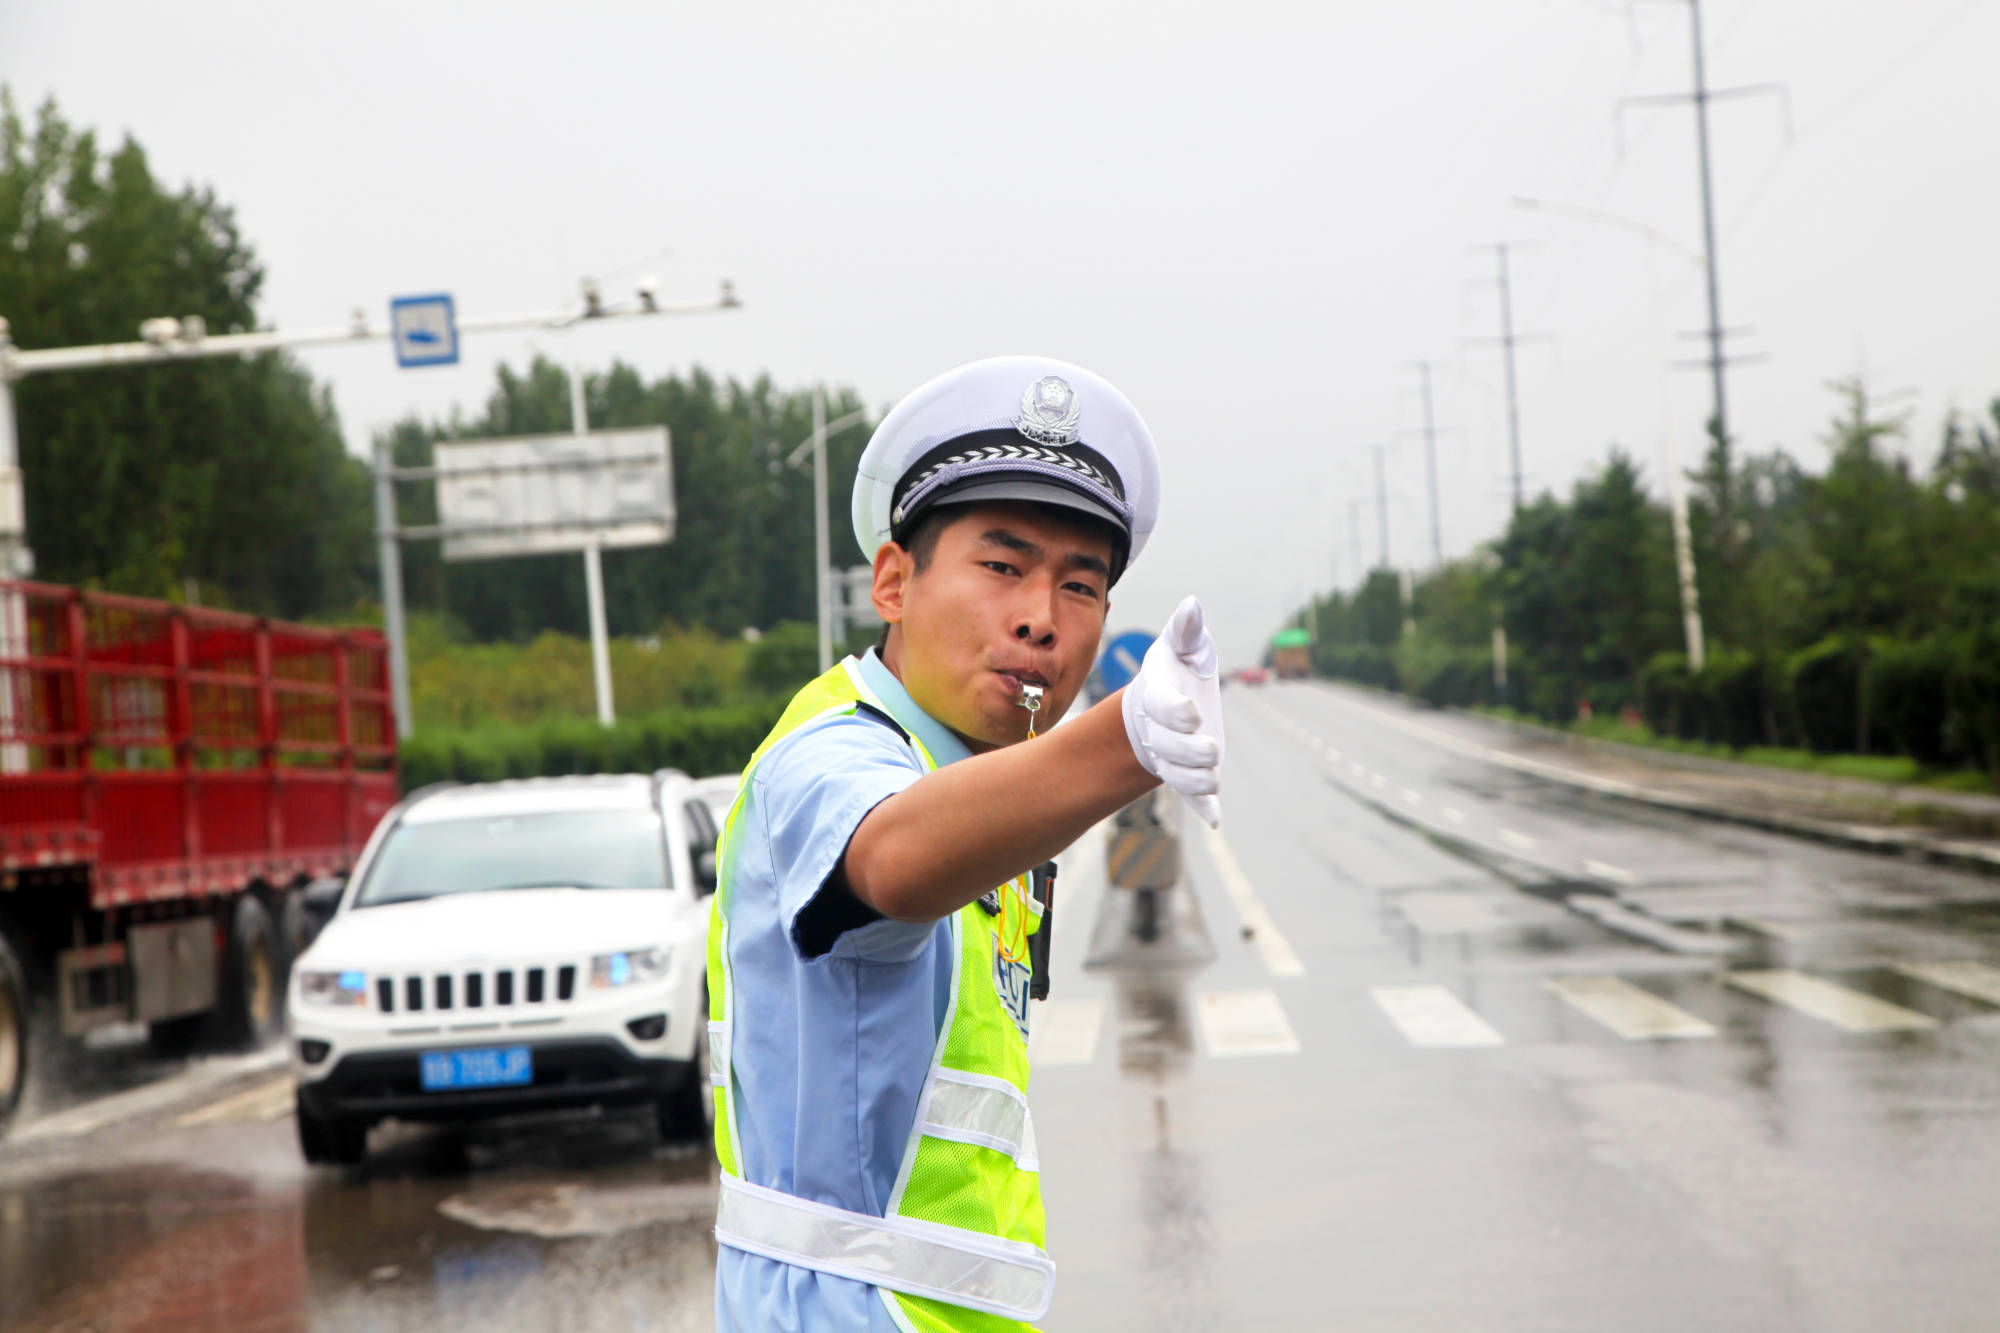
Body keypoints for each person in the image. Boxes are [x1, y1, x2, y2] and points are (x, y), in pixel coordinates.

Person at [706, 355, 1224, 1332]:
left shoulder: (980, 777)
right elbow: (889, 859)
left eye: (1081, 586)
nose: (1040, 617)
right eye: (1001, 567)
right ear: (893, 581)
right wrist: (1123, 739)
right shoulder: (832, 750)